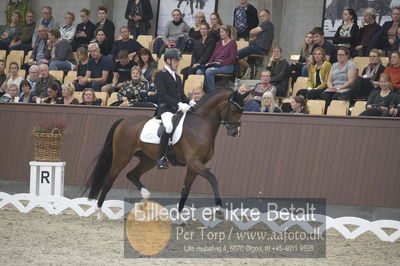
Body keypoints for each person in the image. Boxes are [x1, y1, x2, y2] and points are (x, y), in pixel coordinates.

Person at [155, 48, 193, 169]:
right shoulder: (160, 75)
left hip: (177, 108)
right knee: (169, 126)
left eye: (178, 61)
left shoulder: (178, 77)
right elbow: (163, 95)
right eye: (175, 61)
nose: (177, 63)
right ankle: (161, 158)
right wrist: (178, 105)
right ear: (168, 60)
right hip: (165, 108)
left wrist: (190, 102)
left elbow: (181, 95)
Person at [196, 25, 237, 92]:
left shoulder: (232, 43)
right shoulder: (219, 43)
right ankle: (205, 91)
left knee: (209, 71)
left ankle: (211, 93)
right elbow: (214, 55)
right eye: (220, 32)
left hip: (227, 65)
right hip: (216, 64)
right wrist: (209, 63)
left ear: (227, 33)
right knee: (199, 71)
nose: (220, 34)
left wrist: (221, 63)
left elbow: (232, 59)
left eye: (222, 32)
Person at [237, 9, 274, 77]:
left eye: (264, 16)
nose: (262, 18)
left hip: (258, 47)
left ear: (269, 16)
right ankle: (248, 68)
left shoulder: (266, 23)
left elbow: (252, 32)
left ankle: (248, 68)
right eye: (260, 16)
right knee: (237, 55)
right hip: (258, 47)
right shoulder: (267, 26)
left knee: (236, 55)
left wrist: (253, 34)